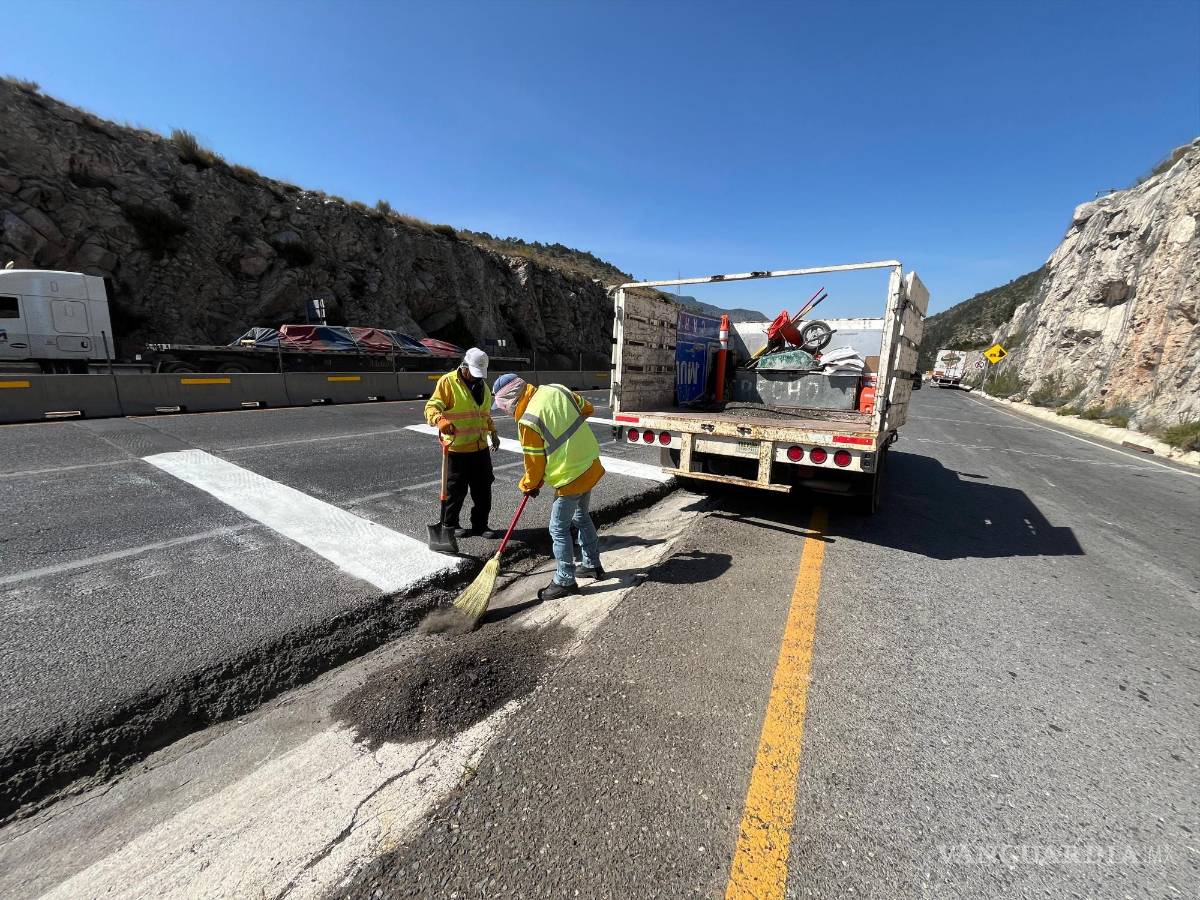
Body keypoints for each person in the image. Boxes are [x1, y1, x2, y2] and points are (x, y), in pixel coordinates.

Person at [492, 373, 605, 600]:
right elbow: (588, 408)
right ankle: (592, 564)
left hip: (569, 475)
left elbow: (535, 466)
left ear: (511, 400)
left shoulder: (528, 420)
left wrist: (528, 485)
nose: (505, 412)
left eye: (503, 407)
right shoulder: (556, 389)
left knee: (557, 529)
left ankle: (565, 580)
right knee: (581, 515)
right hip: (589, 463)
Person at [424, 348, 501, 538]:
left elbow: (485, 415)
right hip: (457, 449)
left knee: (483, 490)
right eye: (474, 373)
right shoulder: (448, 382)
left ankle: (480, 525)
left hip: (480, 448)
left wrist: (493, 432)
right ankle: (450, 524)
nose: (476, 378)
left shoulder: (483, 386)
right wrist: (440, 421)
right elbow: (431, 407)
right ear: (464, 365)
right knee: (455, 491)